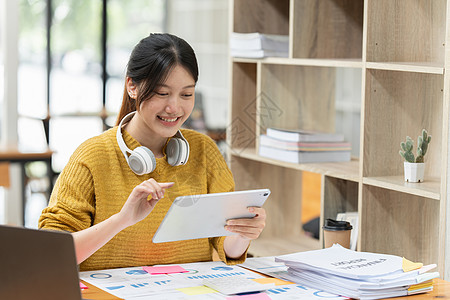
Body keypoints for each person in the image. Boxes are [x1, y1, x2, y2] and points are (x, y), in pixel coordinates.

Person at [38, 33, 267, 271]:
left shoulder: (204, 151)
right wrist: (122, 220)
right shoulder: (93, 156)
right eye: (162, 93)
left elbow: (225, 243)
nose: (175, 107)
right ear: (132, 86)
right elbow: (52, 254)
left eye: (186, 94)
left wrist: (243, 233)